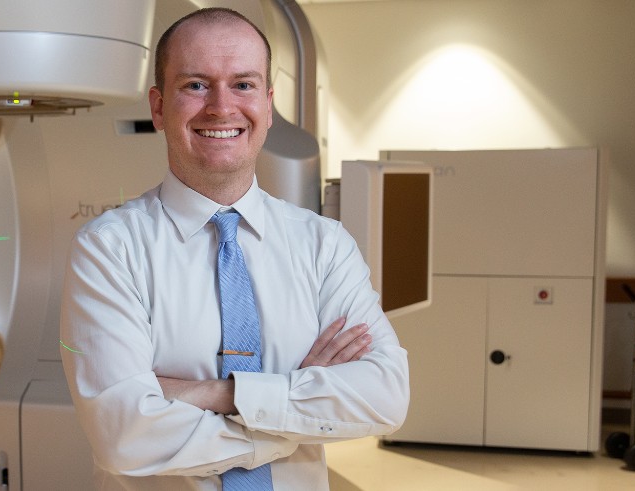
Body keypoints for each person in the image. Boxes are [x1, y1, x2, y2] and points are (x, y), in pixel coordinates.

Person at [60, 7, 409, 490]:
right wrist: (294, 415)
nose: (221, 108)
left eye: (243, 85)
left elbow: (385, 397)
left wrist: (216, 393)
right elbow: (125, 436)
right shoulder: (108, 250)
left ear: (267, 105)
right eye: (196, 85)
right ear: (159, 107)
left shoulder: (323, 245)